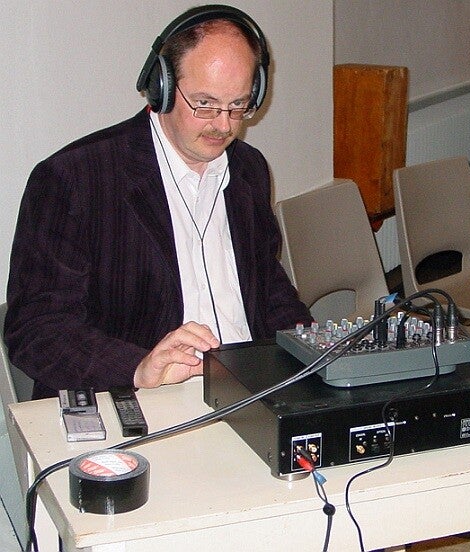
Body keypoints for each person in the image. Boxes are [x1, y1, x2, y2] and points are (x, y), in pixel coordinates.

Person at [4, 5, 312, 400]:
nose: (224, 125)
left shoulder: (248, 169)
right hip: (138, 399)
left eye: (238, 105)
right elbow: (36, 330)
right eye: (205, 103)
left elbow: (267, 287)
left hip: (248, 392)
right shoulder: (75, 179)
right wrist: (138, 367)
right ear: (161, 87)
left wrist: (312, 347)